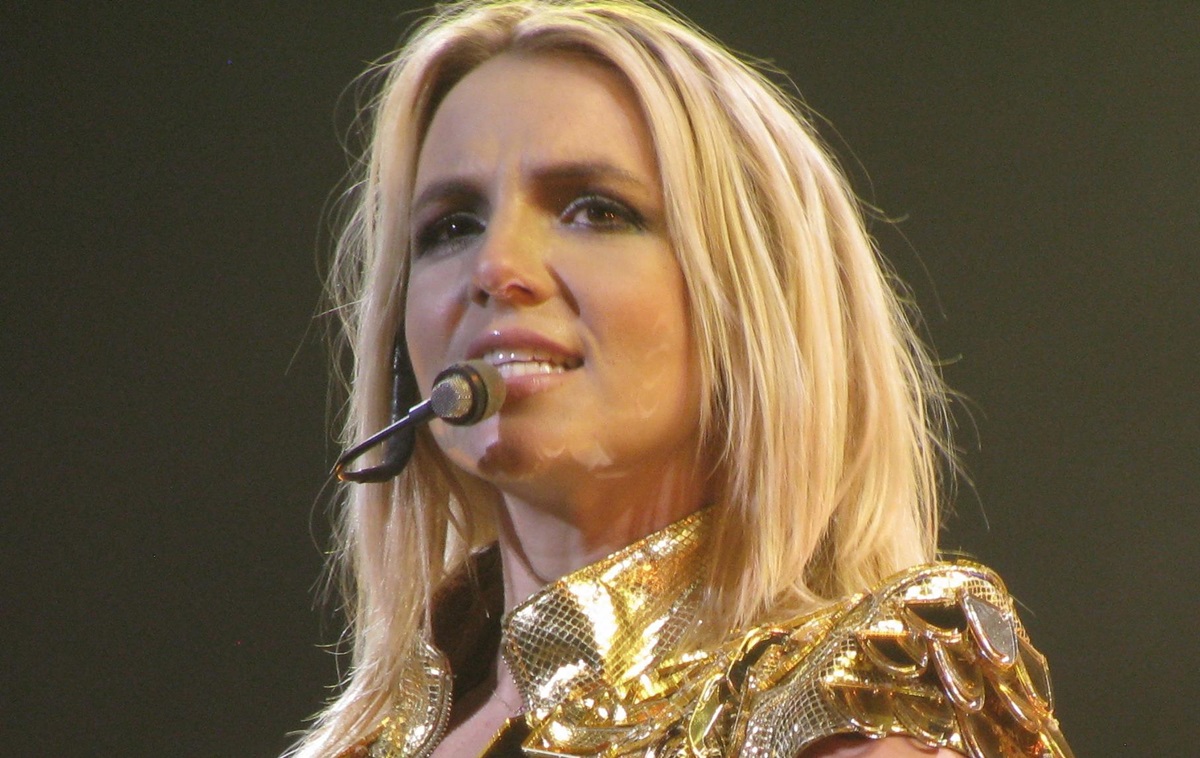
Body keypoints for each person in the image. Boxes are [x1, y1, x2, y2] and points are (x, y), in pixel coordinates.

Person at [290, 1, 1073, 756]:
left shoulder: (864, 712)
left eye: (596, 211)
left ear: (757, 298)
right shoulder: (361, 743)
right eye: (451, 226)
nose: (495, 268)